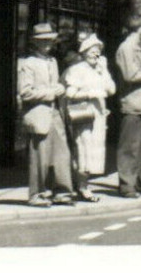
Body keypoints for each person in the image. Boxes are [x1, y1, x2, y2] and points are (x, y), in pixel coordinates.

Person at [17, 22, 76, 207]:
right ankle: (37, 194)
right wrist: (51, 92)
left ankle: (62, 192)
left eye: (50, 40)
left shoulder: (53, 61)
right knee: (40, 158)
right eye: (43, 41)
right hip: (39, 114)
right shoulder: (28, 64)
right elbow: (25, 92)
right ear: (35, 43)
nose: (48, 44)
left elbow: (56, 85)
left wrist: (60, 88)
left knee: (61, 155)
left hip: (55, 113)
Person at [63, 33, 115, 202]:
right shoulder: (76, 70)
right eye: (92, 50)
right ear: (84, 52)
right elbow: (70, 93)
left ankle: (82, 185)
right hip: (83, 115)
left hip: (98, 117)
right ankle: (81, 187)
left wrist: (105, 70)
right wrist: (91, 93)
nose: (96, 54)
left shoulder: (100, 70)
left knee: (93, 153)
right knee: (82, 152)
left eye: (98, 50)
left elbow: (112, 90)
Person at [113, 14, 141, 198]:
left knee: (140, 147)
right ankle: (127, 186)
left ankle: (138, 183)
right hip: (131, 103)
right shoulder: (126, 48)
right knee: (129, 147)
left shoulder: (136, 48)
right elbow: (130, 75)